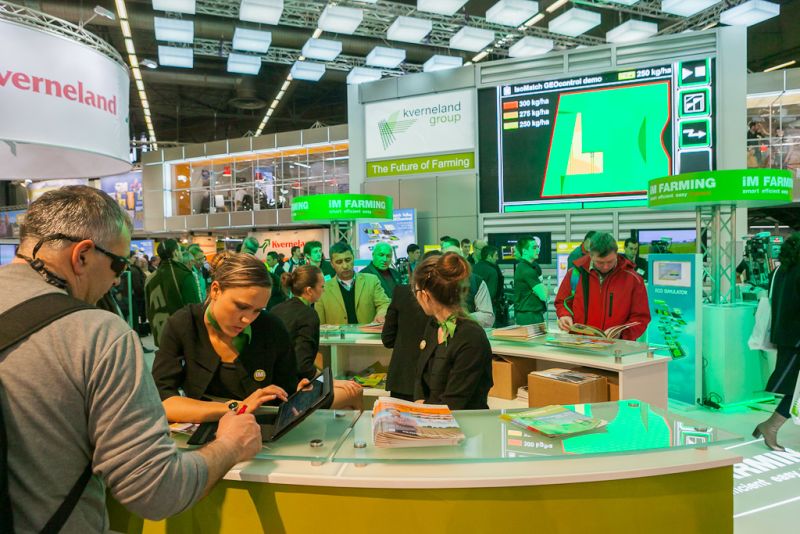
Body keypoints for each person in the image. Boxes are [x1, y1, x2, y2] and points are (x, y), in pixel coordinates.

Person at [0, 186, 261, 532]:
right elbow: (156, 490)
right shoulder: (95, 332)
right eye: (118, 265)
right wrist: (230, 444)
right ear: (82, 256)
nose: (116, 281)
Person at [152, 252, 305, 423]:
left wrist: (300, 393)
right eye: (241, 307)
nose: (247, 319)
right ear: (215, 290)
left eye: (257, 310)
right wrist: (236, 408)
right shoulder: (183, 324)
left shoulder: (272, 327)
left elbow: (288, 389)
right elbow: (162, 400)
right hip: (203, 431)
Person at [271, 265, 363, 410]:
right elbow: (303, 365)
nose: (324, 290)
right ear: (309, 290)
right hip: (293, 392)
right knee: (355, 390)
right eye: (322, 286)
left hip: (275, 387)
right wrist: (332, 381)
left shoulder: (276, 309)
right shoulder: (309, 315)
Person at [412, 252, 493, 410]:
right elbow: (420, 377)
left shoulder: (471, 336)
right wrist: (419, 403)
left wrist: (422, 407)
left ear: (425, 295)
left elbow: (455, 402)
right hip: (431, 418)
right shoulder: (434, 325)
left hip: (462, 422)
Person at [554, 232, 651, 341]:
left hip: (618, 346)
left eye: (610, 261)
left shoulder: (633, 280)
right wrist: (564, 315)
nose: (605, 266)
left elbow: (641, 318)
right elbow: (561, 302)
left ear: (616, 254)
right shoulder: (575, 274)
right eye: (600, 262)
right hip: (580, 345)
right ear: (590, 255)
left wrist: (622, 333)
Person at [755, 233, 800, 450]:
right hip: (797, 340)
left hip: (786, 336)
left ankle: (770, 426)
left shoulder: (779, 271)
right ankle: (770, 426)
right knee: (795, 389)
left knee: (795, 388)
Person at [382, 251, 433, 401]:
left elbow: (388, 339)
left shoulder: (401, 292)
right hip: (434, 381)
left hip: (403, 379)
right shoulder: (448, 297)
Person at [314, 241, 390, 325]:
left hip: (367, 333)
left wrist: (382, 313)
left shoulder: (371, 281)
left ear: (353, 258)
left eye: (348, 260)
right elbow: (319, 324)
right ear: (332, 264)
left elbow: (384, 303)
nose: (345, 266)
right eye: (339, 262)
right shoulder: (323, 290)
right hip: (337, 334)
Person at [145, 239, 202, 347]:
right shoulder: (184, 275)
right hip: (182, 338)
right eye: (179, 250)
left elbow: (148, 310)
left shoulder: (150, 279)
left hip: (161, 336)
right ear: (175, 253)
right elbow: (195, 308)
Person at [442, 244, 495, 328]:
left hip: (467, 330)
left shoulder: (476, 282)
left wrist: (462, 318)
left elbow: (487, 317)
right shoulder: (435, 282)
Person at [513, 238, 547, 325]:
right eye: (534, 247)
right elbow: (544, 295)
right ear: (524, 251)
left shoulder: (526, 267)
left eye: (537, 247)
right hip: (529, 317)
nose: (538, 250)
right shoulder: (527, 270)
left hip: (530, 315)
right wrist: (542, 288)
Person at [473, 245, 505, 322]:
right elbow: (491, 294)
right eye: (496, 255)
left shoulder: (472, 268)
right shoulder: (492, 271)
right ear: (489, 256)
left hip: (472, 307)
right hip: (488, 308)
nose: (497, 258)